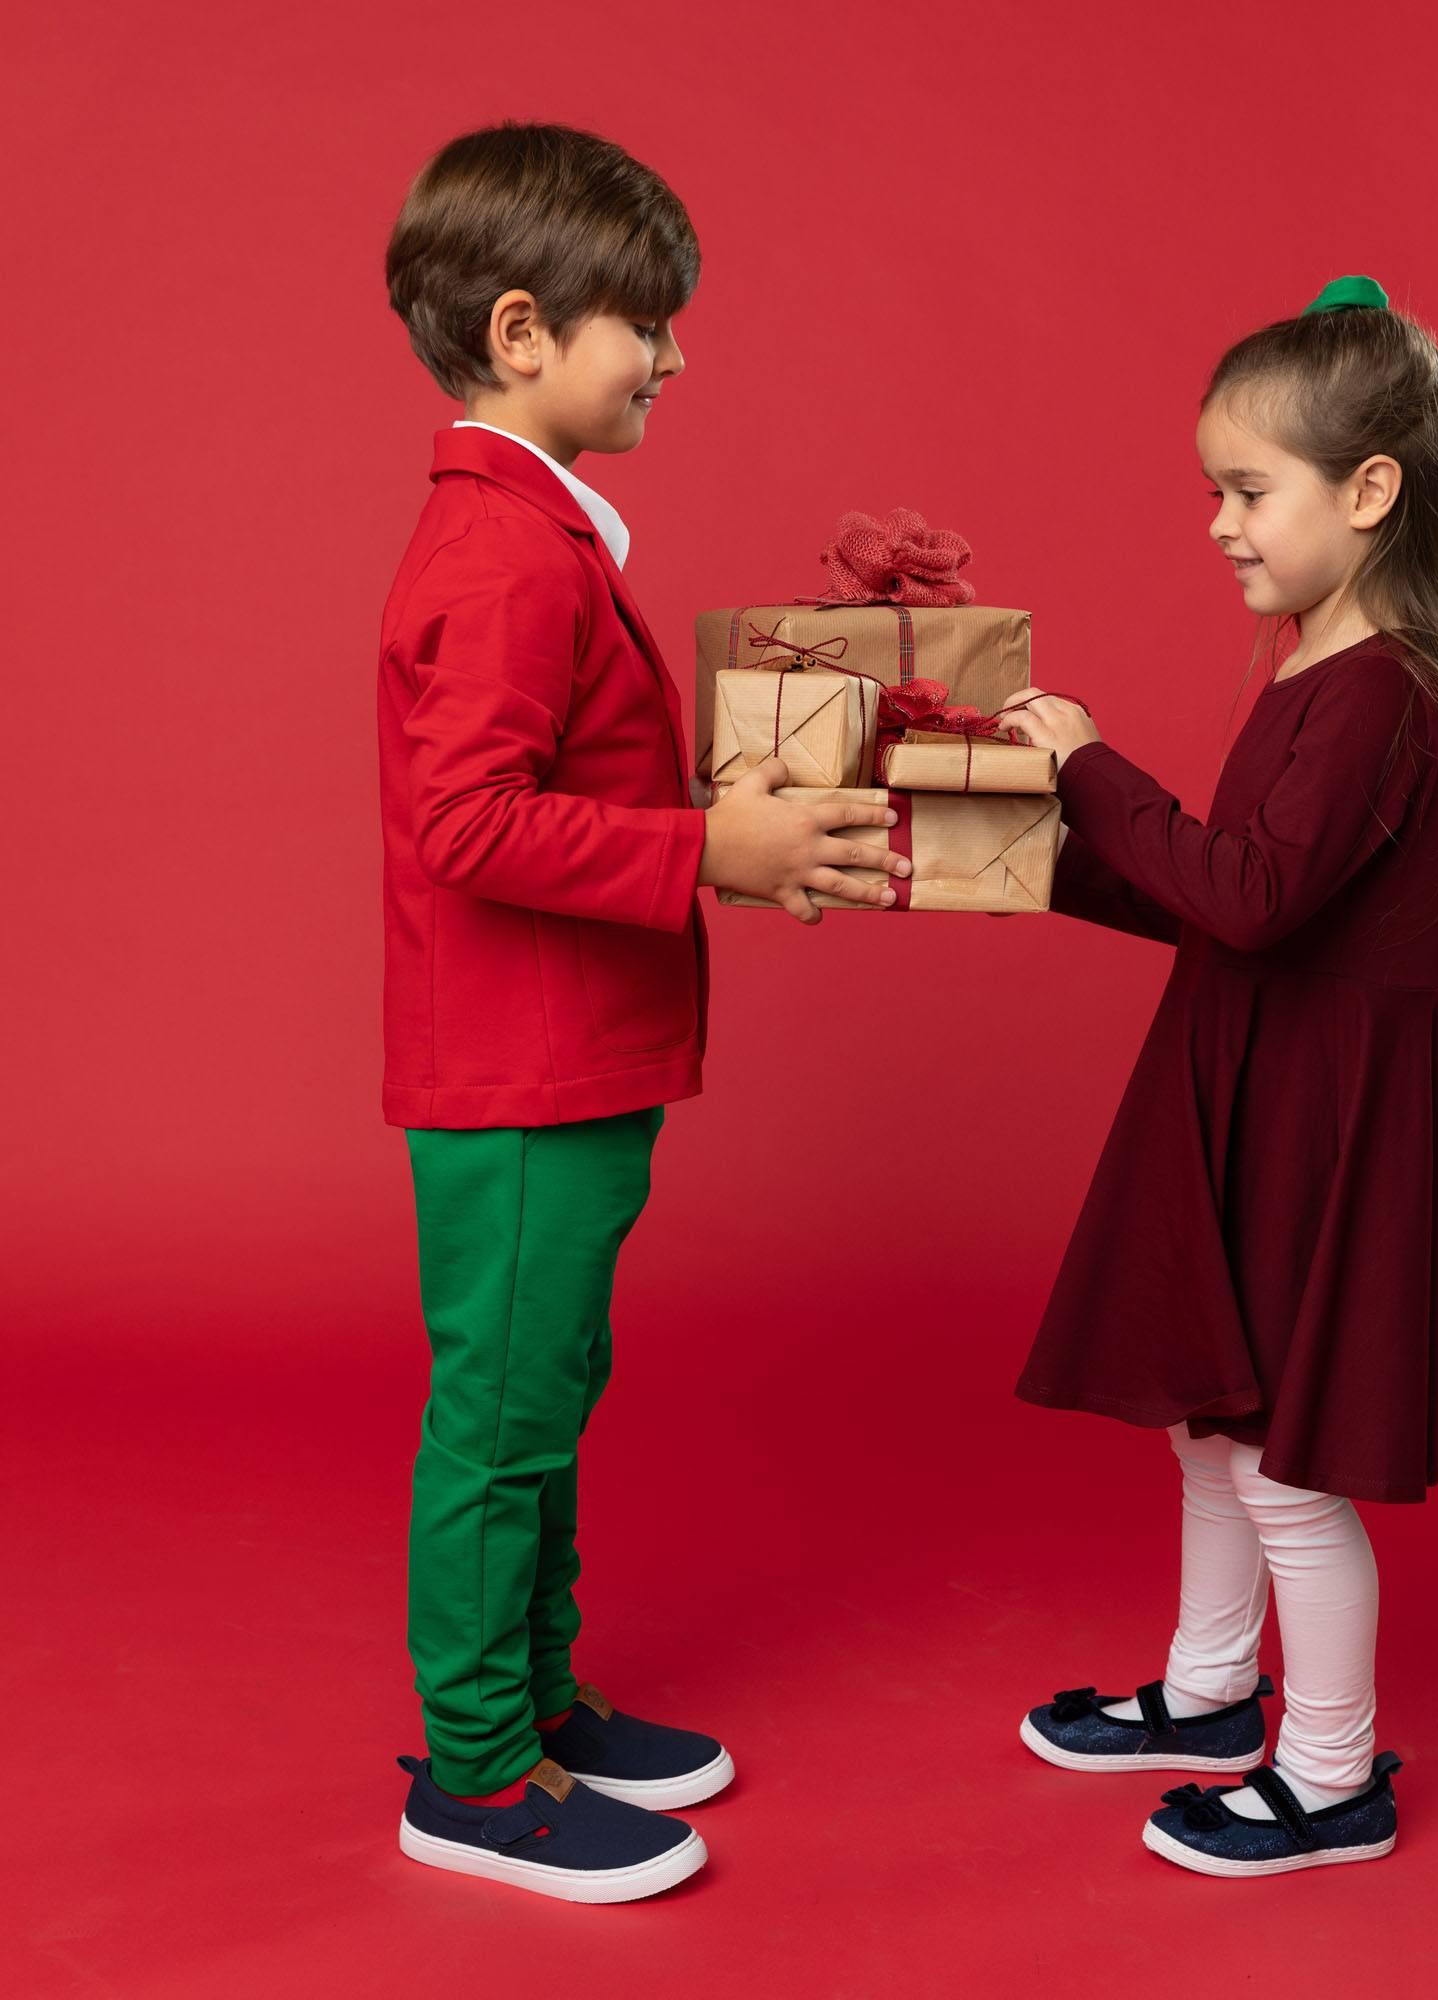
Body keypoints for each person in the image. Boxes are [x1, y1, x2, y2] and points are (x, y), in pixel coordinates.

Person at [377, 120, 912, 1904]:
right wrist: (714, 845)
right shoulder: (502, 554)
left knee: (555, 1388)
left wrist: (748, 814)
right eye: (648, 324)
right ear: (521, 332)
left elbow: (581, 780)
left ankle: (537, 1706)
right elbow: (467, 824)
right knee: (506, 1414)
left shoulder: (543, 533)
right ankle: (472, 1779)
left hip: (577, 1062)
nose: (675, 355)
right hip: (521, 1071)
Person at [1002, 275, 1438, 1879]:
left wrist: (1088, 767)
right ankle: (1215, 1695)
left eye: (1250, 490)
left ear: (1370, 493)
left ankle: (1330, 1774)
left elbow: (1244, 895)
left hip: (1316, 1123)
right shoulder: (1321, 666)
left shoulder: (1379, 691)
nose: (1222, 525)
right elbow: (1226, 895)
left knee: (1287, 1467)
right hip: (1254, 1085)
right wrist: (1027, 852)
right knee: (1215, 1428)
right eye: (1214, 491)